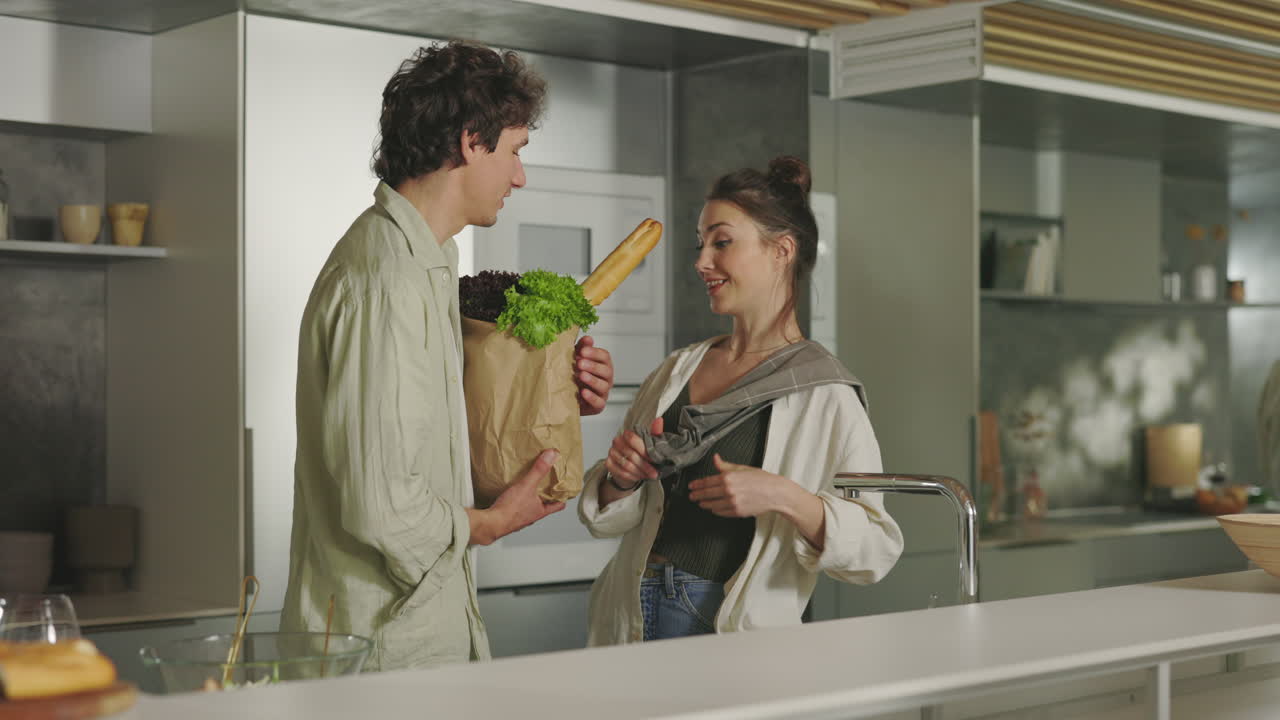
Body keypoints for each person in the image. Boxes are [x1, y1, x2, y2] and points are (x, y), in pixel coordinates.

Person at [280, 41, 616, 672]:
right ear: (470, 141)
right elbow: (381, 506)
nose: (520, 176)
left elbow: (437, 431)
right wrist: (493, 524)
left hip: (413, 632)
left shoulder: (432, 261)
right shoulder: (386, 280)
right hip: (377, 649)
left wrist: (560, 388)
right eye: (515, 152)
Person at [578, 156, 902, 644]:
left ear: (782, 251)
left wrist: (782, 496)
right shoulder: (677, 369)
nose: (701, 261)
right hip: (631, 610)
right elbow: (614, 517)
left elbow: (875, 549)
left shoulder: (825, 391)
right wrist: (620, 480)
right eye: (701, 243)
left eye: (722, 242)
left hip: (725, 626)